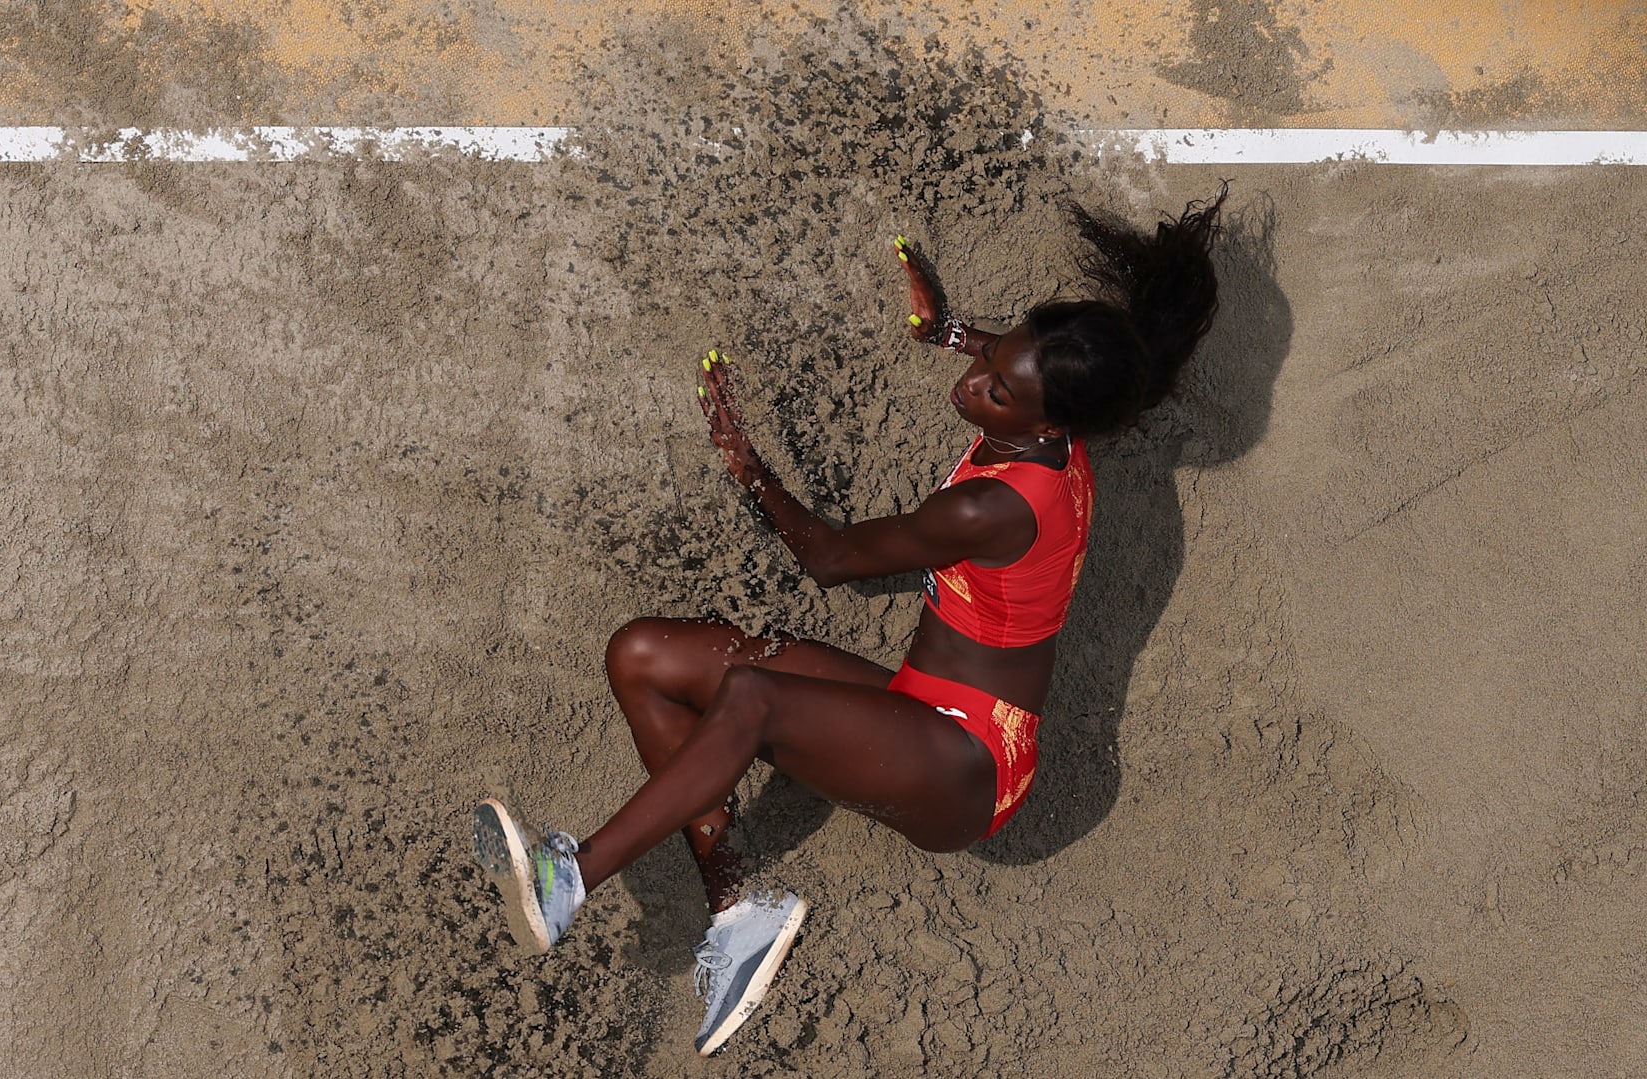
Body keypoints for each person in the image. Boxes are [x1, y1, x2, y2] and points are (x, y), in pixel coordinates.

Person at [473, 188, 1227, 1055]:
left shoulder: (994, 508)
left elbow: (831, 561)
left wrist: (749, 467)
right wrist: (949, 330)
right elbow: (1011, 361)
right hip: (924, 706)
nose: (973, 385)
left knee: (751, 696)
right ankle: (738, 913)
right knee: (643, 654)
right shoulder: (1059, 424)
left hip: (969, 768)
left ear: (1048, 420)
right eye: (993, 358)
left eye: (997, 390)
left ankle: (571, 878)